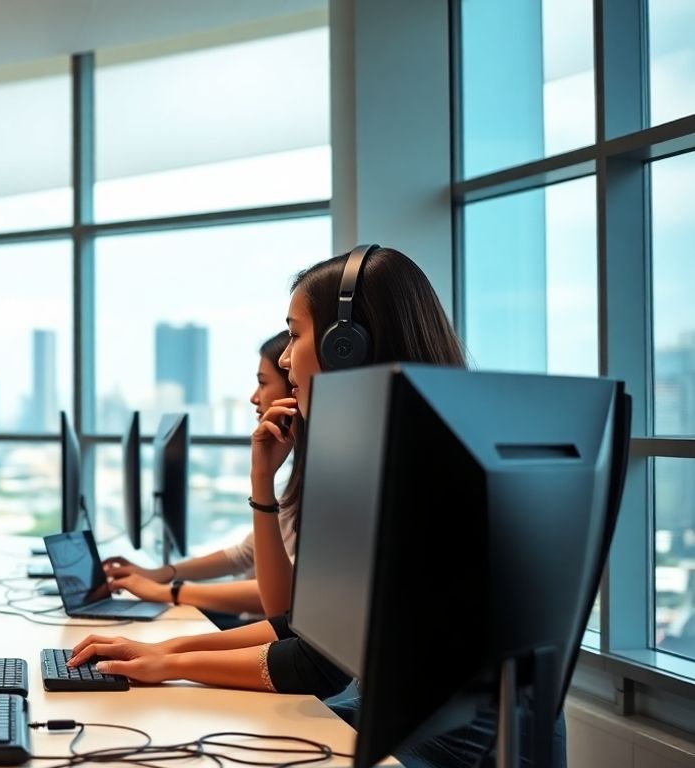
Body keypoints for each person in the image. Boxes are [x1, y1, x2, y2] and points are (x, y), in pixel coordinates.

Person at [69, 247, 561, 768]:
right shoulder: (374, 450)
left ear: (345, 346)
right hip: (387, 717)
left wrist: (168, 663)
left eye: (296, 334)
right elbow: (302, 622)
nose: (284, 358)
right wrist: (165, 654)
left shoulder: (416, 468)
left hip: (448, 747)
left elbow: (316, 662)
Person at [98, 331, 298, 622]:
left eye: (263, 382)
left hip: (266, 634)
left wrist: (168, 591)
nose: (254, 397)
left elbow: (287, 597)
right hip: (255, 627)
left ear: (293, 389)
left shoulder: (316, 486)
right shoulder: (295, 479)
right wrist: (161, 575)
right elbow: (246, 554)